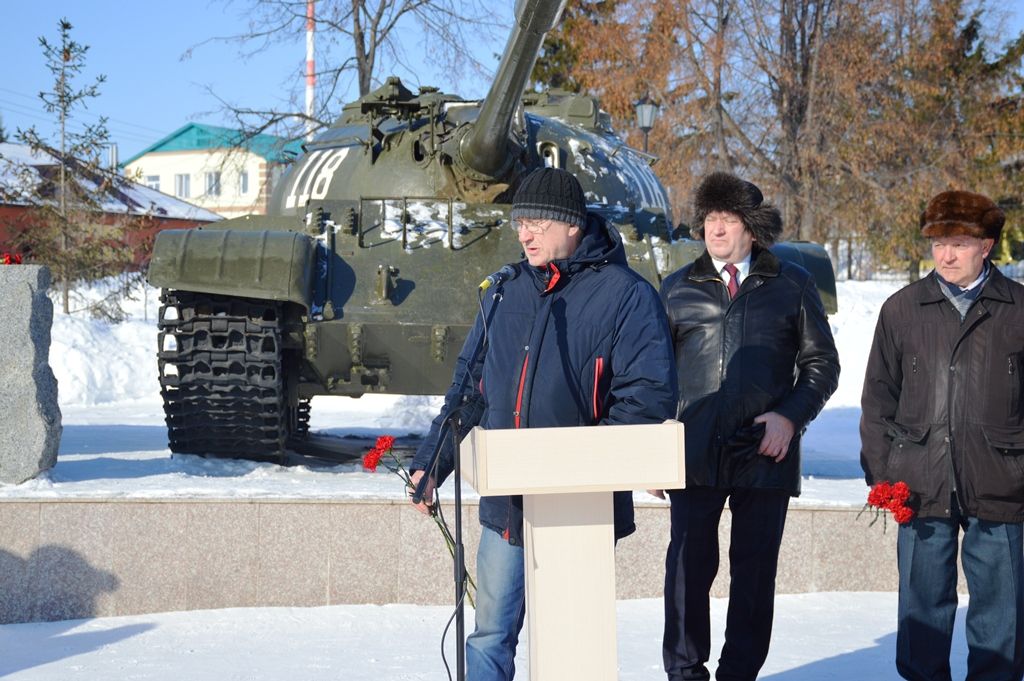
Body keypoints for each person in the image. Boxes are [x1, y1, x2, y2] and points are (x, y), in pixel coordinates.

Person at [408, 166, 678, 681]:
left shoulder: (626, 296)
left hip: (577, 514)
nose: (524, 233)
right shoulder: (504, 292)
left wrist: (580, 462)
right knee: (489, 636)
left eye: (536, 222)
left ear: (572, 225)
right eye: (519, 223)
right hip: (504, 511)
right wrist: (430, 465)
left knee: (571, 644)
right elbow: (468, 390)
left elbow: (647, 398)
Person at [654, 171, 840, 681]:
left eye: (728, 219)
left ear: (751, 229)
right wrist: (651, 444)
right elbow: (651, 375)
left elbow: (823, 366)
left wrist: (789, 418)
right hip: (693, 454)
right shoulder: (676, 289)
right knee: (687, 573)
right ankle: (686, 672)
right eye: (710, 218)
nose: (716, 228)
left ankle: (739, 674)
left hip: (766, 453)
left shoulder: (793, 284)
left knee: (754, 577)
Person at [860, 190, 1024, 681]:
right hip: (919, 485)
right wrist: (885, 473)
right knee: (921, 615)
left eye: (959, 243)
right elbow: (878, 398)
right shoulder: (902, 309)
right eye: (938, 243)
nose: (946, 255)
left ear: (987, 245)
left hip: (1003, 484)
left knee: (1002, 618)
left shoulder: (1018, 310)